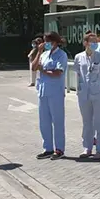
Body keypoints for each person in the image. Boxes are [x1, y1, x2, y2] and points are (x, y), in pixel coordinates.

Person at [31, 31, 68, 160]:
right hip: (43, 91)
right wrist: (39, 52)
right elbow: (34, 67)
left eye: (48, 41)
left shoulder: (61, 55)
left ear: (55, 41)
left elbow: (58, 72)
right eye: (44, 41)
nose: (46, 43)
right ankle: (48, 148)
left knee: (57, 121)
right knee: (44, 122)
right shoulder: (44, 54)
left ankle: (59, 149)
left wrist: (44, 71)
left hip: (55, 92)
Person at [74, 32, 100, 159]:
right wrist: (79, 90)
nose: (94, 44)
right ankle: (87, 147)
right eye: (91, 42)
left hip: (98, 93)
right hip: (84, 93)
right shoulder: (79, 57)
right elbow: (78, 75)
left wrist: (99, 89)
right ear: (85, 43)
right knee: (87, 122)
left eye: (96, 42)